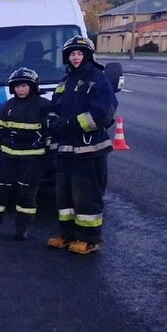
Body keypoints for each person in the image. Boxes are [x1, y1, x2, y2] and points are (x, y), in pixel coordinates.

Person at [46, 36, 118, 255]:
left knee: (86, 195)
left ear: (87, 55)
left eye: (79, 53)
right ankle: (67, 234)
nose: (75, 57)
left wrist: (69, 124)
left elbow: (104, 112)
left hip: (89, 148)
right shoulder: (65, 81)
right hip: (66, 148)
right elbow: (54, 106)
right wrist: (52, 121)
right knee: (64, 195)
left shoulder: (98, 78)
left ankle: (89, 239)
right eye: (71, 54)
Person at [0, 67, 53, 240]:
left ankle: (21, 230)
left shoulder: (44, 106)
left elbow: (50, 133)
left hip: (32, 160)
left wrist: (50, 157)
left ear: (33, 86)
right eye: (17, 86)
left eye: (24, 85)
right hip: (7, 159)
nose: (20, 89)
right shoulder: (6, 107)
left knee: (27, 197)